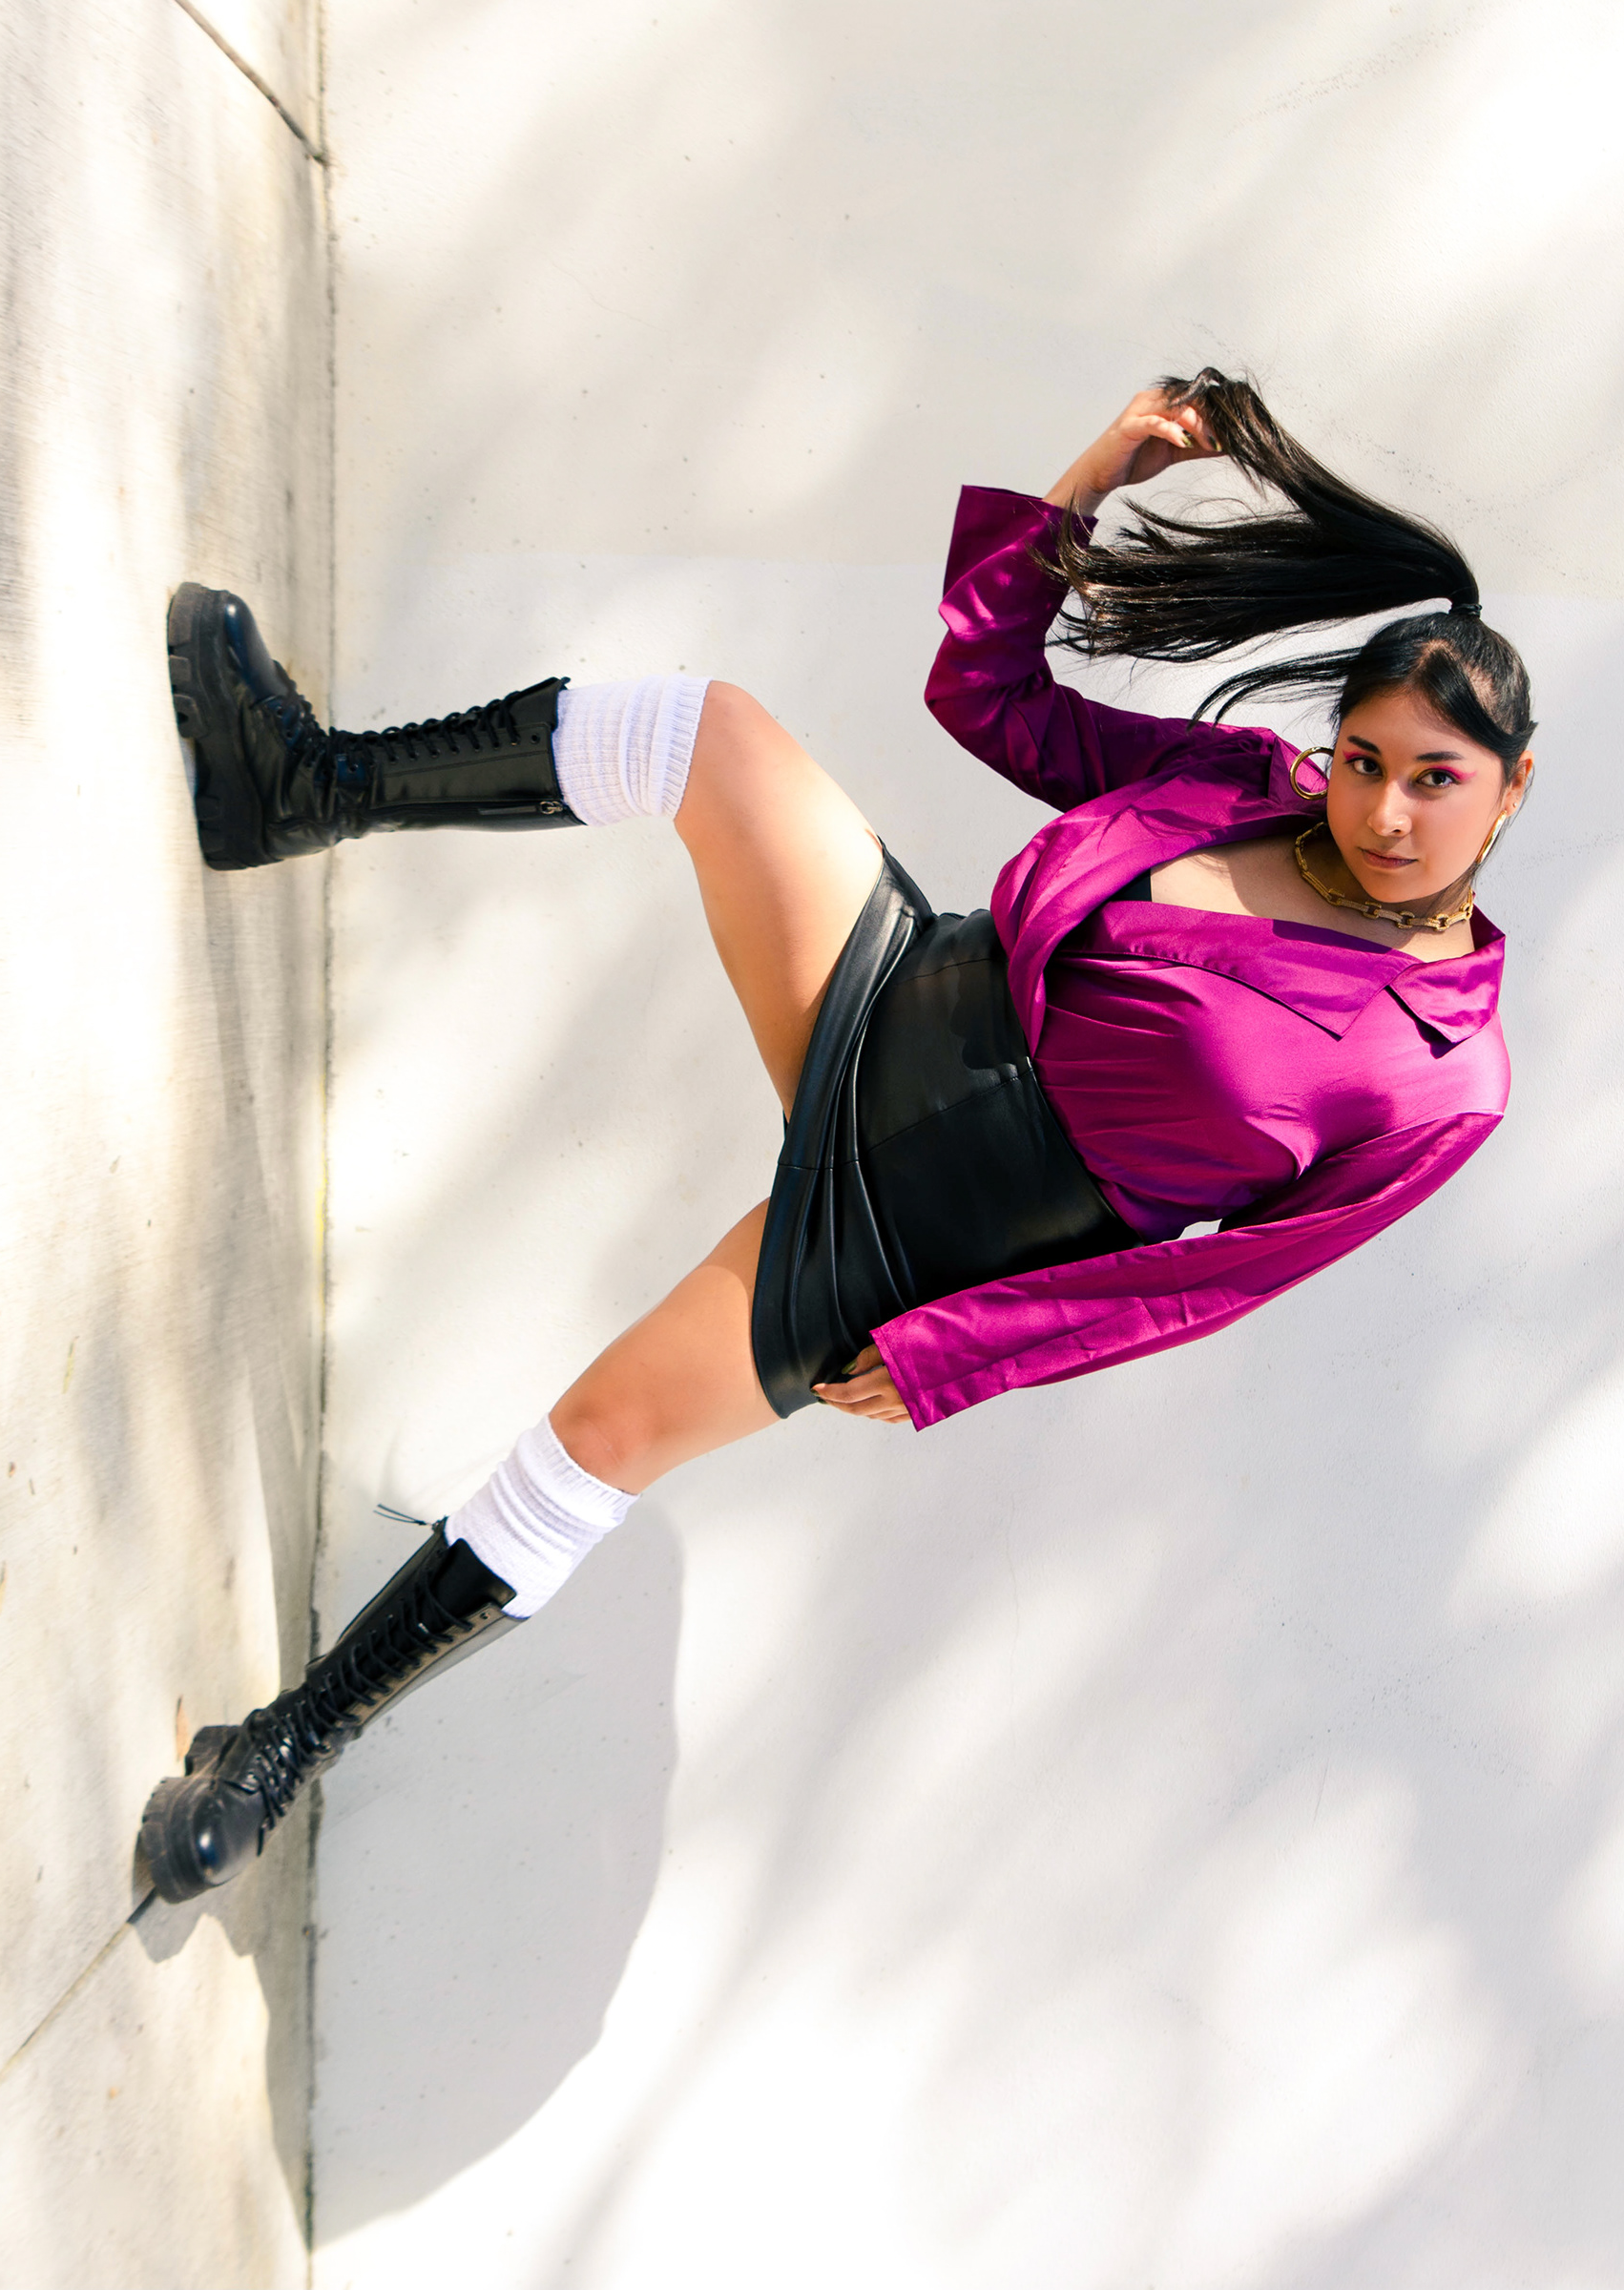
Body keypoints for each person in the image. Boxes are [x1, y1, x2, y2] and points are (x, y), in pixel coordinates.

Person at [139, 370, 1534, 1904]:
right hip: (900, 991)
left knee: (604, 1435)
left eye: (1436, 781)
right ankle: (299, 786)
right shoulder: (1248, 790)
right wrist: (1086, 485)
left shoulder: (1445, 1076)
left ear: (1510, 789)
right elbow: (990, 695)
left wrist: (956, 1356)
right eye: (1365, 761)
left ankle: (280, 1749)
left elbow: (1208, 1285)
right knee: (712, 734)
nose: (1385, 813)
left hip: (919, 1223)